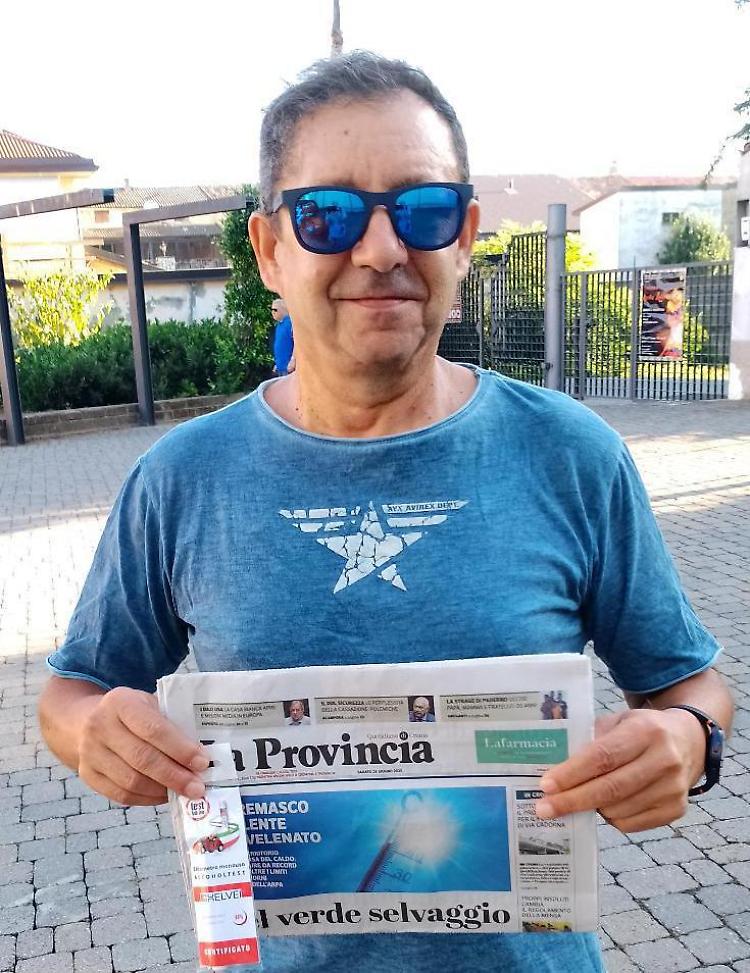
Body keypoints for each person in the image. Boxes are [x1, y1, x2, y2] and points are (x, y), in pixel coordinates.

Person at [38, 51, 733, 973]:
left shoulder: (572, 454)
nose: (380, 250)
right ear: (270, 250)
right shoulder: (180, 478)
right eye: (327, 214)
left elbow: (689, 684)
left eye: (423, 209)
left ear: (465, 237)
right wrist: (94, 735)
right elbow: (72, 692)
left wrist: (688, 740)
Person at [271, 297, 295, 374]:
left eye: (275, 310)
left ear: (282, 309)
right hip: (281, 369)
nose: (273, 312)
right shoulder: (279, 326)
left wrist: (293, 360)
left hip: (290, 368)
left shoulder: (291, 323)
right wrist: (277, 364)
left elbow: (298, 343)